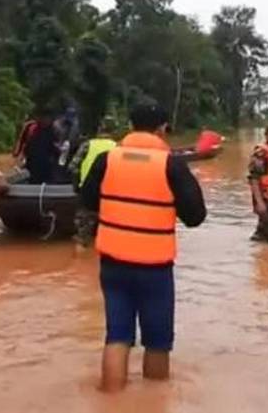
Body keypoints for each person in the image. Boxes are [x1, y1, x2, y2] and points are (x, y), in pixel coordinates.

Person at [79, 101, 207, 392]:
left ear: (131, 126)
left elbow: (87, 201)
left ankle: (111, 401)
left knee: (117, 336)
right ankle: (154, 401)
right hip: (154, 268)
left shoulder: (107, 160)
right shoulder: (171, 165)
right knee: (158, 341)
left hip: (113, 264)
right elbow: (196, 217)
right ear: (162, 129)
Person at [67, 116, 117, 251]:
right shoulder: (118, 147)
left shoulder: (87, 144)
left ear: (99, 130)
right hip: (110, 192)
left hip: (87, 190)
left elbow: (72, 166)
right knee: (110, 232)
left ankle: (79, 261)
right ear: (113, 132)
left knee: (82, 235)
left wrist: (76, 184)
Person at [24, 110, 60, 184]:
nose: (46, 121)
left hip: (47, 164)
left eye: (48, 119)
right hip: (34, 162)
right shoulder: (34, 129)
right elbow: (27, 145)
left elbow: (55, 146)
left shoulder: (52, 131)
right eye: (45, 118)